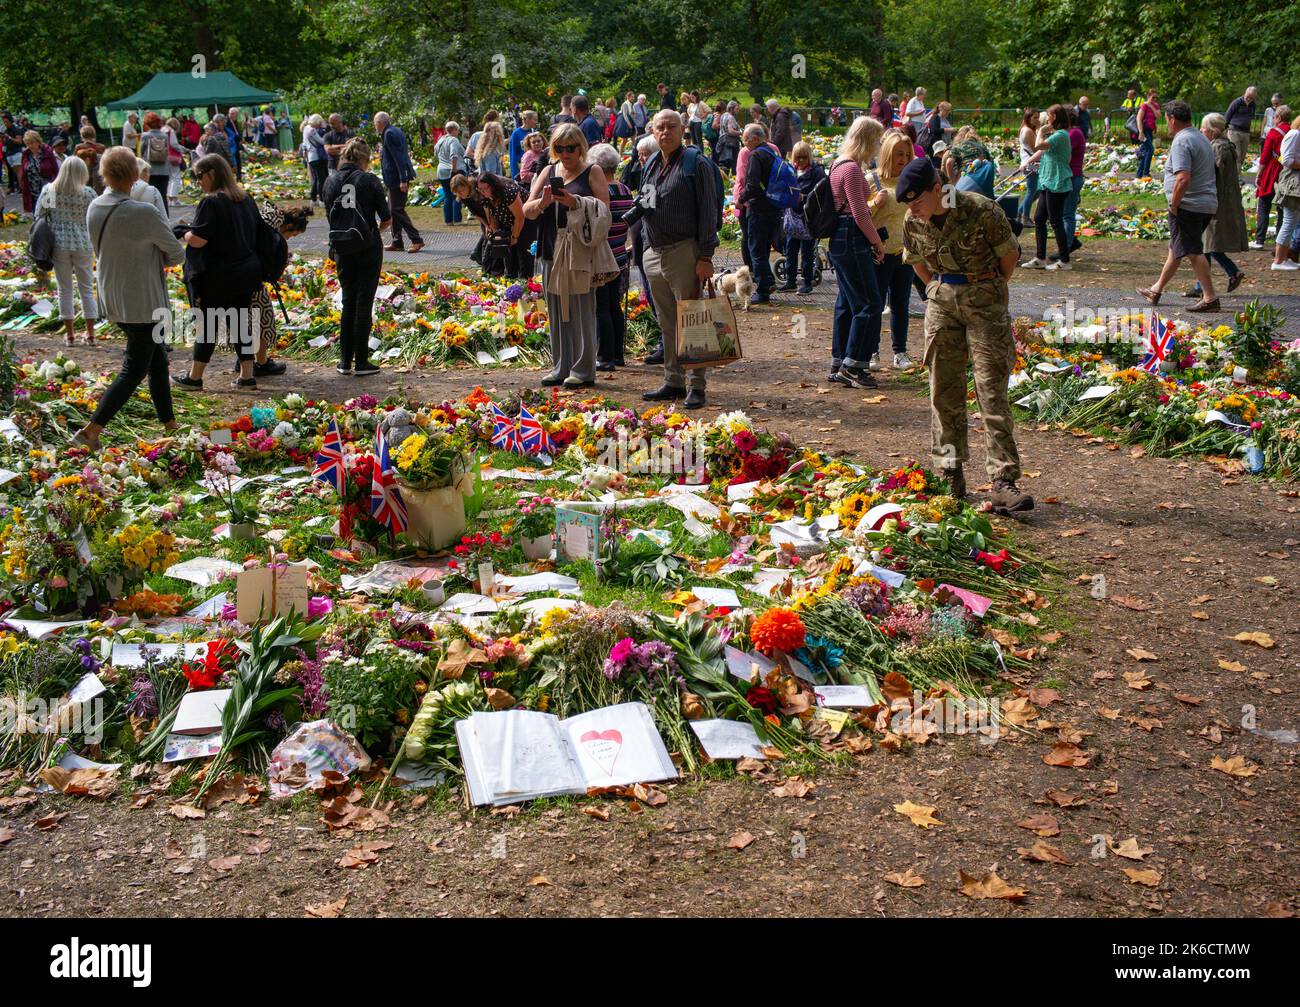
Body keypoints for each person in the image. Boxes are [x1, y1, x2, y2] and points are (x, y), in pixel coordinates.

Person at [896, 156, 1031, 513]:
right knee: (944, 390)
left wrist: (984, 287)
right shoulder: (914, 221)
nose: (913, 209)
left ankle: (1003, 481)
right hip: (943, 306)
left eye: (918, 201)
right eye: (909, 204)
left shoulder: (980, 210)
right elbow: (918, 264)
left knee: (991, 391)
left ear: (938, 190)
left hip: (985, 303)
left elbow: (1009, 259)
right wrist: (936, 290)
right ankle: (950, 472)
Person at [72, 147, 185, 450]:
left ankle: (169, 421)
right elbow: (176, 253)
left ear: (104, 174)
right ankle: (92, 430)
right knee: (134, 368)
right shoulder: (143, 211)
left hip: (111, 295)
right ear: (135, 175)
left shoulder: (95, 206)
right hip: (142, 300)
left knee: (157, 357)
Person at [636, 109, 718, 410]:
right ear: (653, 131)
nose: (665, 132)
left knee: (693, 319)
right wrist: (645, 245)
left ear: (683, 129)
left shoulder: (695, 163)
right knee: (667, 321)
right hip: (654, 252)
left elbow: (709, 212)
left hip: (685, 250)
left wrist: (706, 255)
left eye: (671, 126)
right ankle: (673, 380)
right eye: (660, 127)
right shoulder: (652, 163)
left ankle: (697, 385)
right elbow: (645, 203)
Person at [522, 122, 610, 389]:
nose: (565, 153)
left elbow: (605, 211)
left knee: (583, 309)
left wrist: (576, 203)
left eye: (570, 148)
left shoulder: (592, 171)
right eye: (559, 148)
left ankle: (583, 369)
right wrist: (544, 202)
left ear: (580, 147)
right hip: (551, 247)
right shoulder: (548, 170)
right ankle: (560, 366)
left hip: (579, 251)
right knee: (557, 308)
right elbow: (527, 210)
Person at [170, 154, 265, 390]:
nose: (198, 181)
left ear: (212, 173)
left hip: (217, 275)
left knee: (208, 324)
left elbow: (199, 240)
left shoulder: (211, 202)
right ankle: (247, 375)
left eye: (199, 176)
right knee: (241, 322)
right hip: (245, 271)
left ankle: (194, 377)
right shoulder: (244, 198)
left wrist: (183, 232)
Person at [1136, 100, 1220, 310]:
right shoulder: (1200, 137)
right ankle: (1156, 290)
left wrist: (1174, 204)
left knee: (1192, 251)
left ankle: (1210, 298)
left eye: (1166, 120)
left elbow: (1183, 178)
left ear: (1172, 119)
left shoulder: (1182, 141)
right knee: (1177, 248)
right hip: (1204, 202)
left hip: (1188, 204)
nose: (1166, 125)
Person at [825, 115, 887, 388]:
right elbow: (860, 212)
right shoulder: (851, 169)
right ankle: (854, 365)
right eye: (876, 141)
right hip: (851, 236)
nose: (878, 148)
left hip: (839, 237)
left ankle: (840, 359)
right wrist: (877, 241)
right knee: (870, 303)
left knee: (847, 302)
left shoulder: (837, 164)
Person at [323, 138, 392, 374]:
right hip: (367, 248)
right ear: (364, 158)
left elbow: (330, 217)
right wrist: (372, 233)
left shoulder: (330, 181)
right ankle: (361, 361)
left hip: (341, 247)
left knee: (347, 302)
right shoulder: (369, 180)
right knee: (364, 303)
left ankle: (344, 361)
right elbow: (386, 218)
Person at [240, 202, 311, 378]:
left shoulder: (263, 221)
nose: (290, 238)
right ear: (288, 226)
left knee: (246, 320)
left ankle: (245, 359)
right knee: (264, 320)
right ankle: (260, 363)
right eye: (292, 235)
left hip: (238, 275)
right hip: (250, 279)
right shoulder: (270, 235)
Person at [863, 130, 915, 371]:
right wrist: (875, 203)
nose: (903, 159)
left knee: (901, 305)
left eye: (906, 154)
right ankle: (871, 350)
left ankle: (900, 352)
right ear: (887, 155)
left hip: (904, 253)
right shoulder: (871, 180)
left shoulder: (910, 181)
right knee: (875, 304)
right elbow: (858, 215)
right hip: (878, 253)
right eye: (898, 154)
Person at [34, 156, 98, 346]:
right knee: (86, 288)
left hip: (58, 244)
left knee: (64, 289)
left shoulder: (51, 190)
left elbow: (39, 215)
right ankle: (91, 334)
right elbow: (94, 217)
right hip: (83, 243)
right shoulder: (88, 193)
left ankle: (70, 335)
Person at [1183, 113, 1247, 300]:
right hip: (1220, 200)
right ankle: (1225, 274)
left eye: (1204, 128)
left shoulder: (1217, 149)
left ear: (1213, 131)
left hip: (1215, 202)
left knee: (1205, 243)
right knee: (1207, 242)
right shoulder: (1225, 146)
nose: (1201, 130)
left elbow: (1212, 176)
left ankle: (1206, 284)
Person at [588, 144, 633, 371]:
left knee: (602, 306)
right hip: (620, 252)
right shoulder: (625, 189)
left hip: (603, 254)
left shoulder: (601, 191)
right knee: (615, 304)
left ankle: (605, 356)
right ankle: (617, 354)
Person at [1021, 104, 1073, 271]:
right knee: (1039, 219)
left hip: (1057, 182)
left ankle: (1064, 260)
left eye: (1048, 115)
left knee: (1055, 221)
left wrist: (1041, 132)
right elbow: (1042, 152)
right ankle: (1040, 257)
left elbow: (1038, 146)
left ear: (1055, 118)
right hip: (1047, 181)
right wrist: (1028, 162)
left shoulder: (1061, 135)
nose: (1046, 118)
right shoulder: (1057, 135)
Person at [738, 123, 785, 304]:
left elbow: (752, 185)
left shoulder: (756, 155)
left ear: (755, 139)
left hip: (758, 209)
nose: (745, 144)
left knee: (756, 249)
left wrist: (741, 199)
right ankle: (768, 282)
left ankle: (763, 290)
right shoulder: (772, 152)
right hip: (773, 207)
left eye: (746, 140)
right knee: (764, 247)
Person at [778, 140, 824, 296]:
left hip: (807, 218)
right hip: (792, 217)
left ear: (809, 157)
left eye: (804, 157)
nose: (801, 161)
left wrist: (804, 197)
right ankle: (790, 280)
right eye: (798, 158)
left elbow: (822, 193)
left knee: (807, 252)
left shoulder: (816, 173)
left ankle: (807, 282)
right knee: (790, 250)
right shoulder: (791, 170)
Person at [376, 111, 424, 252]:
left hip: (397, 178)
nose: (375, 126)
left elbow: (399, 157)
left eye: (375, 123)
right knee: (392, 210)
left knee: (397, 210)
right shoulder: (393, 130)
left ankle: (416, 240)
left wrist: (403, 179)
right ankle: (397, 242)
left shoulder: (389, 134)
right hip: (394, 178)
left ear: (379, 123)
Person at [1252, 104, 1291, 249]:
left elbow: (1265, 156)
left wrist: (1258, 175)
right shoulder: (1293, 132)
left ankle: (1259, 240)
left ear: (1279, 117)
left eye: (1274, 117)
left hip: (1271, 171)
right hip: (1286, 171)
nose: (1273, 119)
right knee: (1282, 207)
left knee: (1263, 204)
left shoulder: (1273, 133)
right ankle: (1280, 242)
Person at [1269, 112, 1300, 272]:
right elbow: (1287, 160)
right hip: (1292, 183)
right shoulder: (1295, 134)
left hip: (1295, 183)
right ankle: (1279, 260)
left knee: (1292, 221)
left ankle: (1284, 257)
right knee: (1289, 221)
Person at [1061, 108, 1086, 253]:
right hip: (1069, 176)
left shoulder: (1074, 133)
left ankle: (1067, 245)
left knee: (1067, 214)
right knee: (1062, 213)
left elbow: (1063, 153)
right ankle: (1071, 241)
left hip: (1072, 177)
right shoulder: (1070, 133)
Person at [435, 121, 466, 226]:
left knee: (448, 196)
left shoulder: (440, 140)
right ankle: (457, 219)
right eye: (457, 130)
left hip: (441, 170)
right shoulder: (454, 140)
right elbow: (454, 155)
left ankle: (448, 220)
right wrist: (454, 168)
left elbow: (435, 154)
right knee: (457, 194)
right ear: (455, 130)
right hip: (451, 170)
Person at [18, 130, 57, 214]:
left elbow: (55, 169)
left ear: (38, 141)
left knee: (48, 213)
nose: (30, 146)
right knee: (36, 214)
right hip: (32, 188)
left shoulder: (48, 152)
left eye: (32, 143)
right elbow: (23, 170)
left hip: (47, 186)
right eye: (27, 143)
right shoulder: (25, 154)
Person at [1224, 86, 1257, 167]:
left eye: (1251, 97)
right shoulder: (1237, 102)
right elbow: (1227, 116)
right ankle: (1235, 178)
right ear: (1245, 93)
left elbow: (1251, 116)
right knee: (1236, 155)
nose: (1249, 99)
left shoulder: (1253, 105)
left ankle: (1236, 176)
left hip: (1246, 132)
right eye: (1248, 96)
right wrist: (1224, 129)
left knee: (1242, 156)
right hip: (1234, 131)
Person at [1017, 108, 1039, 225]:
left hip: (1028, 163)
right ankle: (1025, 217)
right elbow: (1036, 148)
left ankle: (1019, 212)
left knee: (1037, 190)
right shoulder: (1029, 131)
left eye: (1038, 117)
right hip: (1031, 164)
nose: (1037, 120)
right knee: (1032, 190)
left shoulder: (1024, 129)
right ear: (1028, 118)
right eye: (1035, 117)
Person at [303, 114, 329, 204]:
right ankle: (322, 199)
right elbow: (321, 141)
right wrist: (325, 130)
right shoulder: (312, 130)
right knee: (321, 179)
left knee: (315, 179)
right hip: (317, 156)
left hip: (310, 157)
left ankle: (313, 199)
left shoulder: (306, 128)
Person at [74, 125, 106, 193]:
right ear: (94, 134)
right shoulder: (101, 147)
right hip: (98, 174)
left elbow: (75, 162)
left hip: (83, 174)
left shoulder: (79, 147)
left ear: (82, 135)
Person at [1135, 89, 1159, 179]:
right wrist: (1141, 132)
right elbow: (1139, 119)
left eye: (1156, 98)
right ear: (1148, 96)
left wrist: (1151, 106)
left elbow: (1157, 116)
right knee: (1150, 150)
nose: (1155, 99)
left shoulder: (1155, 105)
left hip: (1150, 130)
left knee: (1146, 151)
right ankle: (1146, 172)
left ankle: (1139, 174)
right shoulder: (1144, 106)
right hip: (1144, 130)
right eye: (1153, 97)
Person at [509, 110, 537, 177]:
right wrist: (515, 174)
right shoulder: (516, 133)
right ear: (527, 120)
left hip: (534, 168)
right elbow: (513, 154)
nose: (536, 122)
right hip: (522, 168)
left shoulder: (534, 132)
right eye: (535, 119)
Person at [3, 113, 22, 193]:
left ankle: (21, 187)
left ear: (10, 121)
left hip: (16, 153)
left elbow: (19, 141)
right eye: (4, 122)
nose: (5, 123)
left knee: (18, 171)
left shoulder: (16, 129)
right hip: (9, 153)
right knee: (14, 172)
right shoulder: (6, 130)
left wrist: (9, 137)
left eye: (6, 122)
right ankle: (17, 187)